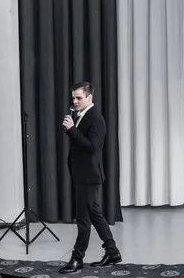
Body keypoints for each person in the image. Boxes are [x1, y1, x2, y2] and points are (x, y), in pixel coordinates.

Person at [59, 81, 122, 274]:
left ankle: (77, 259)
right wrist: (72, 130)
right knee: (95, 215)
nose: (75, 101)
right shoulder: (81, 115)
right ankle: (112, 252)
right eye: (73, 98)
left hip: (89, 176)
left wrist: (72, 130)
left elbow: (92, 147)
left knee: (84, 221)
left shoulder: (96, 119)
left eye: (78, 98)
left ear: (89, 98)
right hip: (82, 175)